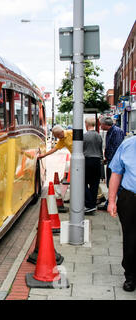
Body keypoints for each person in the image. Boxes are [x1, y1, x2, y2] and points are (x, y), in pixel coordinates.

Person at [107, 136, 136, 292]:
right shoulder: (128, 144)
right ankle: (130, 276)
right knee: (131, 239)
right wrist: (111, 201)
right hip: (130, 198)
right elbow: (116, 173)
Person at [98, 116, 125, 210]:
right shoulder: (110, 131)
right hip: (111, 160)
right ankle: (109, 203)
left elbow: (116, 148)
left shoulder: (116, 131)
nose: (100, 126)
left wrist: (112, 160)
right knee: (110, 183)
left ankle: (121, 204)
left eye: (101, 124)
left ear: (106, 125)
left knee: (115, 183)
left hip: (114, 162)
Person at [83, 117, 103, 214]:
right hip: (97, 161)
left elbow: (81, 150)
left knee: (83, 183)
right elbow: (100, 150)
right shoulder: (99, 136)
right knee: (94, 184)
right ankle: (92, 205)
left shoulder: (85, 136)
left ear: (86, 124)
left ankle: (89, 204)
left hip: (87, 161)